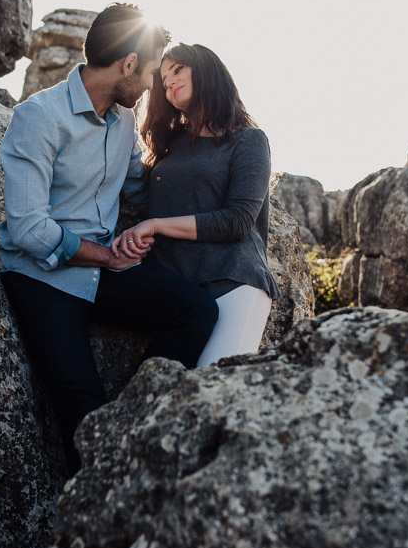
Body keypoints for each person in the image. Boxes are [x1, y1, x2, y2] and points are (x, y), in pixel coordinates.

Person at [0, 5, 219, 474]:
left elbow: (140, 188)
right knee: (84, 422)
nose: (153, 85)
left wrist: (209, 177)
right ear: (129, 64)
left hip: (103, 270)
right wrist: (108, 257)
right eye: (154, 72)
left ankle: (132, 421)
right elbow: (29, 229)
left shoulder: (122, 123)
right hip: (44, 278)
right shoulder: (39, 117)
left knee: (197, 311)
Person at [112, 43, 281, 367]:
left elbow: (237, 221)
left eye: (178, 70)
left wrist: (157, 225)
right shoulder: (171, 143)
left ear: (206, 71)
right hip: (178, 291)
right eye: (163, 79)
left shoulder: (248, 140)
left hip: (232, 284)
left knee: (210, 398)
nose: (170, 83)